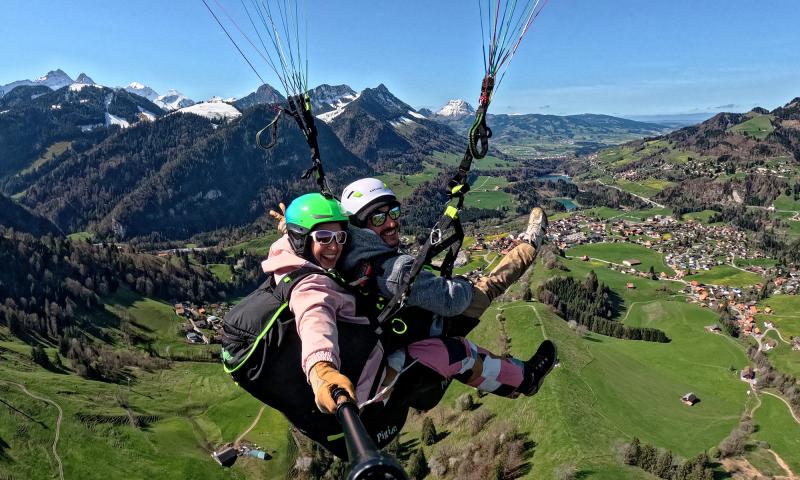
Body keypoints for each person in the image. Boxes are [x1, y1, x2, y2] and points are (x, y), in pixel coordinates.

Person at [225, 192, 409, 458]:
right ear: (301, 239)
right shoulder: (310, 287)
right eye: (324, 238)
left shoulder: (286, 256)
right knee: (428, 353)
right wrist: (322, 370)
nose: (334, 246)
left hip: (331, 384)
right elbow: (315, 320)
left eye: (340, 237)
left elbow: (297, 237)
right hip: (364, 393)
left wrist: (290, 224)